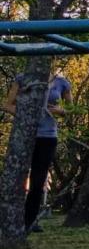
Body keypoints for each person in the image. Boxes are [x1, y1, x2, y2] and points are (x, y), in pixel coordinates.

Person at [3, 71, 72, 233]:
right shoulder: (23, 78)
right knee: (16, 177)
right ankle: (10, 218)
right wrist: (26, 115)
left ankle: (30, 220)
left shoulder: (62, 82)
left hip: (48, 137)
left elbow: (71, 110)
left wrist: (60, 111)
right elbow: (7, 104)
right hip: (25, 134)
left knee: (38, 180)